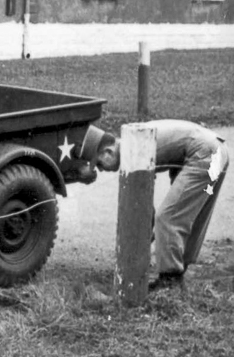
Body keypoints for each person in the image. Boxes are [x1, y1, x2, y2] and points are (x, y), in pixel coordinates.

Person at [94, 120, 229, 289]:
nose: (100, 170)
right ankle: (177, 269)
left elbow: (143, 208)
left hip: (204, 152)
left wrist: (137, 247)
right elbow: (144, 205)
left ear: (108, 151)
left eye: (99, 163)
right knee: (188, 216)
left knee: (168, 217)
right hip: (215, 149)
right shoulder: (132, 141)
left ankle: (170, 280)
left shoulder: (132, 151)